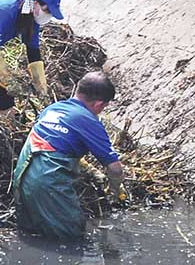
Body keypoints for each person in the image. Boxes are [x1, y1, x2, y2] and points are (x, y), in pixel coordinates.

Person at [12, 71, 127, 241]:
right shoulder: (88, 120)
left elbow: (54, 146)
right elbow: (115, 168)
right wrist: (116, 189)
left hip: (22, 178)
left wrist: (93, 171)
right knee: (72, 239)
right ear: (99, 104)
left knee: (35, 237)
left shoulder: (52, 109)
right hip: (48, 183)